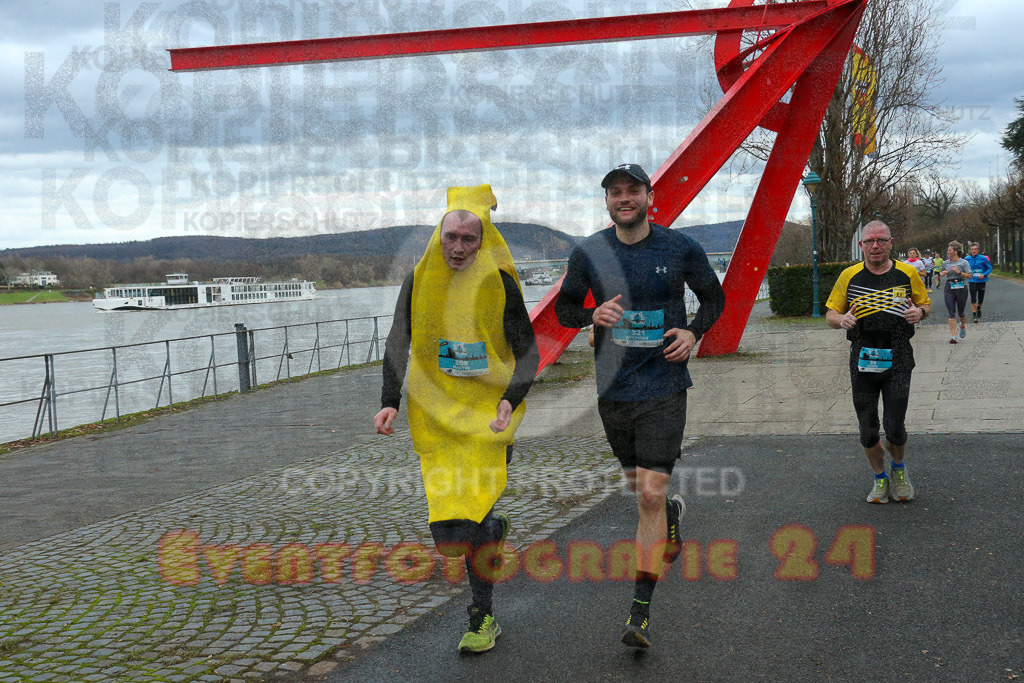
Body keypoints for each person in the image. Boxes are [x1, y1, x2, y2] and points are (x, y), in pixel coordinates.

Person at [554, 163, 725, 648]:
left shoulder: (679, 247)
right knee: (643, 492)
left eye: (633, 191)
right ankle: (668, 514)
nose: (624, 198)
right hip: (614, 391)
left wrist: (694, 332)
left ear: (650, 196)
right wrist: (591, 313)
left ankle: (640, 613)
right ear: (606, 201)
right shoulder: (589, 251)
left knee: (647, 496)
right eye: (615, 192)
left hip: (664, 386)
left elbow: (714, 298)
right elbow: (566, 308)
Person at [374, 184, 539, 654]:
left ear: (483, 238)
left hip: (488, 416)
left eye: (471, 238)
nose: (460, 248)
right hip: (437, 416)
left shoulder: (500, 282)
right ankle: (488, 535)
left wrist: (510, 397)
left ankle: (482, 616)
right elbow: (398, 341)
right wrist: (390, 400)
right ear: (439, 235)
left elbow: (528, 352)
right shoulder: (419, 279)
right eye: (453, 237)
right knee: (452, 533)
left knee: (476, 514)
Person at [825, 221, 931, 504]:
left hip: (898, 356)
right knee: (868, 427)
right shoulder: (849, 275)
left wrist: (919, 313)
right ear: (861, 245)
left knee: (895, 425)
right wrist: (841, 320)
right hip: (863, 357)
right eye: (869, 241)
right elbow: (831, 314)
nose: (875, 246)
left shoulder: (908, 272)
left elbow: (925, 304)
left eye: (881, 240)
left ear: (890, 242)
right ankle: (880, 478)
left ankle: (898, 470)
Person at [940, 241, 972, 343]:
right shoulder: (946, 263)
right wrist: (943, 273)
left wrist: (960, 272)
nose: (947, 252)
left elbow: (970, 275)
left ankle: (962, 326)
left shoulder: (964, 262)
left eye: (949, 250)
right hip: (949, 287)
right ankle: (953, 336)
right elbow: (941, 272)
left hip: (961, 287)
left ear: (955, 251)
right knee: (951, 312)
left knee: (961, 312)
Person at [965, 241, 993, 322]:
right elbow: (964, 268)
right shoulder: (967, 259)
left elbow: (990, 268)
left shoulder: (983, 258)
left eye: (976, 249)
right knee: (973, 299)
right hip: (972, 281)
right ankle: (974, 316)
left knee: (980, 299)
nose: (974, 251)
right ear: (970, 250)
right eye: (972, 249)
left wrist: (984, 275)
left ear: (978, 250)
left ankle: (979, 308)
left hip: (981, 281)